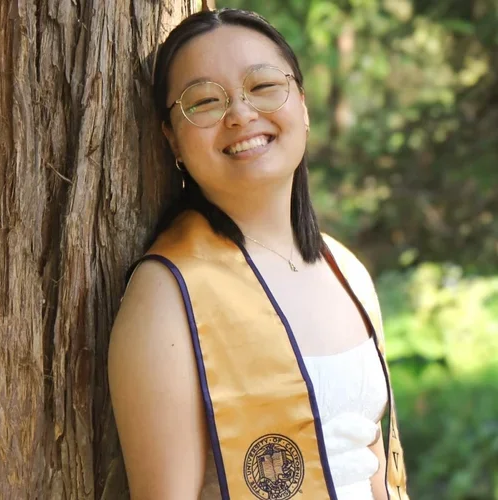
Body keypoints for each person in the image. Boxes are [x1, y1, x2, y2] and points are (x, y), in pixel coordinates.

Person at [108, 8, 409, 500]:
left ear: (304, 106)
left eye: (264, 86)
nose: (240, 114)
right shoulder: (170, 294)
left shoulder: (345, 270)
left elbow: (377, 475)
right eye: (204, 101)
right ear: (172, 139)